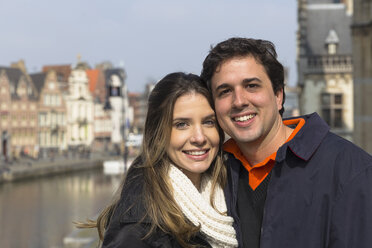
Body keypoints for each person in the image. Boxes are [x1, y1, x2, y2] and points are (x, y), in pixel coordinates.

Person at [200, 37, 372, 248]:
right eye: (225, 91)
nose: (239, 101)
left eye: (252, 86)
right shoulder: (210, 172)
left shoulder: (350, 170)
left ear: (278, 95)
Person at [78, 72, 238, 247]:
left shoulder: (231, 190)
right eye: (181, 124)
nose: (199, 137)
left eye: (208, 122)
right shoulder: (137, 229)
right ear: (157, 133)